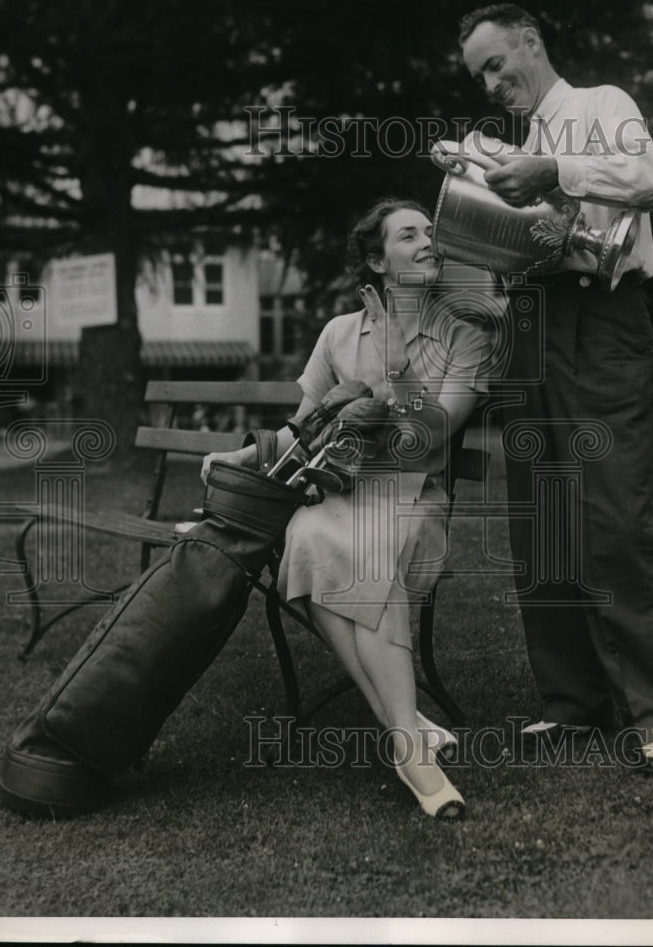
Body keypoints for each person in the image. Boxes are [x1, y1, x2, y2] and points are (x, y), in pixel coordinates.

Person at [202, 197, 492, 817]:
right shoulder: (337, 332)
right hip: (341, 490)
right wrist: (240, 456)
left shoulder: (466, 334)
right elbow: (304, 429)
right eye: (408, 235)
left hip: (415, 496)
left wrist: (397, 364)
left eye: (430, 233)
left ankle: (404, 739)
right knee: (308, 537)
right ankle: (406, 734)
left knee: (369, 559)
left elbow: (435, 436)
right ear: (376, 261)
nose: (427, 242)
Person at [455, 3, 653, 767]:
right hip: (532, 328)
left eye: (497, 63)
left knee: (615, 521)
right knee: (544, 527)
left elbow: (650, 181)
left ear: (532, 43)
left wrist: (552, 171)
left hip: (606, 325)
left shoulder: (601, 105)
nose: (492, 83)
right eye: (479, 75)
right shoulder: (515, 150)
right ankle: (575, 705)